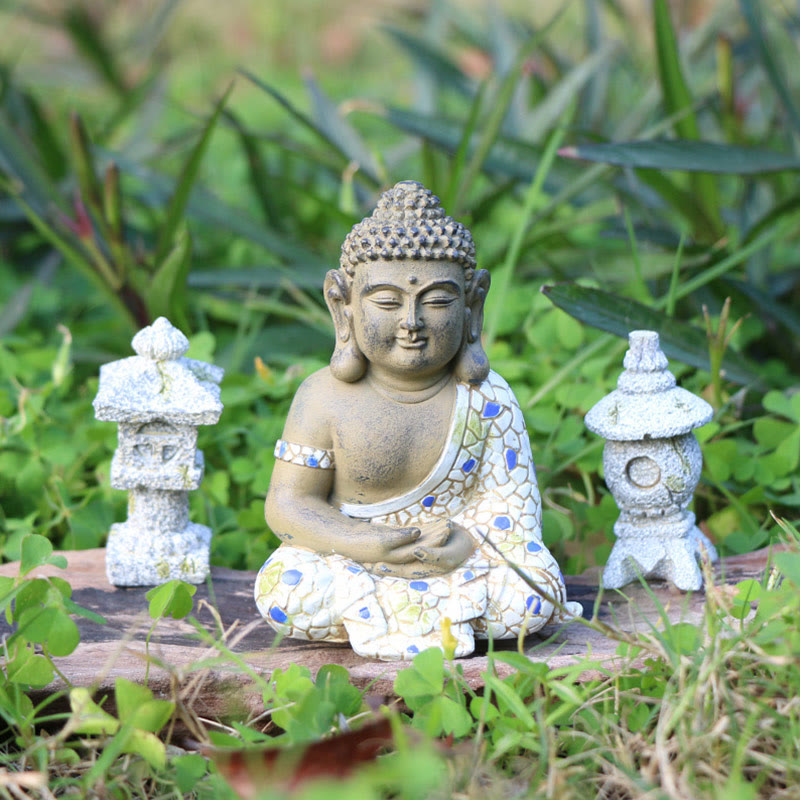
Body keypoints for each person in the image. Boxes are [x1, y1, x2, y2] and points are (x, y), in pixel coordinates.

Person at [254, 181, 580, 660]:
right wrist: (365, 542)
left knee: (535, 590)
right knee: (284, 587)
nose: (412, 321)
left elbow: (514, 510)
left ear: (472, 305)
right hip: (350, 561)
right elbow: (288, 504)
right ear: (343, 307)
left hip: (459, 560)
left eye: (437, 302)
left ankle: (391, 620)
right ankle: (437, 622)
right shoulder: (322, 396)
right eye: (386, 302)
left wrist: (464, 540)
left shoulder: (488, 398)